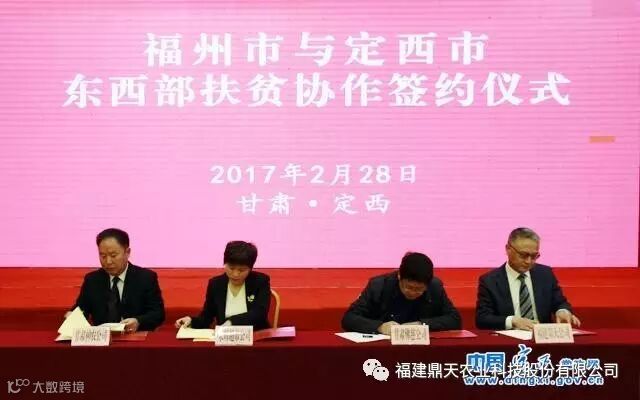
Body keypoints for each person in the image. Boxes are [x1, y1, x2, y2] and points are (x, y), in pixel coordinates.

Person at [475, 227, 581, 331]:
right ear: (508, 249)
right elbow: (482, 319)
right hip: (509, 337)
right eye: (523, 255)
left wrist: (562, 311)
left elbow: (560, 302)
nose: (528, 261)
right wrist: (512, 321)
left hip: (542, 337)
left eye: (534, 256)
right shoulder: (490, 281)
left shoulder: (545, 274)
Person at [70, 228, 165, 332]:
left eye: (113, 255)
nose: (108, 261)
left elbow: (158, 314)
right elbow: (81, 310)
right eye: (103, 256)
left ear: (127, 252)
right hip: (103, 339)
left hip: (136, 337)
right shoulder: (92, 280)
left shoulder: (145, 278)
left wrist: (138, 321)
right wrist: (73, 316)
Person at [341, 252, 461, 335]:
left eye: (419, 289)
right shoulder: (378, 286)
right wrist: (379, 326)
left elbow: (454, 319)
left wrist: (422, 325)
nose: (413, 292)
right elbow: (349, 318)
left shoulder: (435, 287)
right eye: (408, 287)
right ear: (399, 276)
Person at [175, 241, 270, 330]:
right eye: (231, 268)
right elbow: (206, 317)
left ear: (250, 268)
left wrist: (231, 322)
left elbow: (260, 313)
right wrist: (191, 321)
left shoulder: (260, 281)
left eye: (241, 270)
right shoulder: (216, 284)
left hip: (255, 335)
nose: (235, 274)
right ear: (225, 264)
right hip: (225, 338)